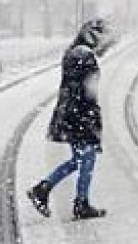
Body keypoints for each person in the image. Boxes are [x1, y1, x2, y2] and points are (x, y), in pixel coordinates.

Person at [27, 19, 107, 220]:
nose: (102, 42)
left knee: (79, 159)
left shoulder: (75, 52)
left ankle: (45, 189)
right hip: (80, 115)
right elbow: (89, 91)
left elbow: (77, 87)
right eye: (101, 37)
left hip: (72, 113)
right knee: (86, 159)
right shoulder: (84, 55)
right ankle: (79, 203)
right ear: (93, 36)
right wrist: (92, 120)